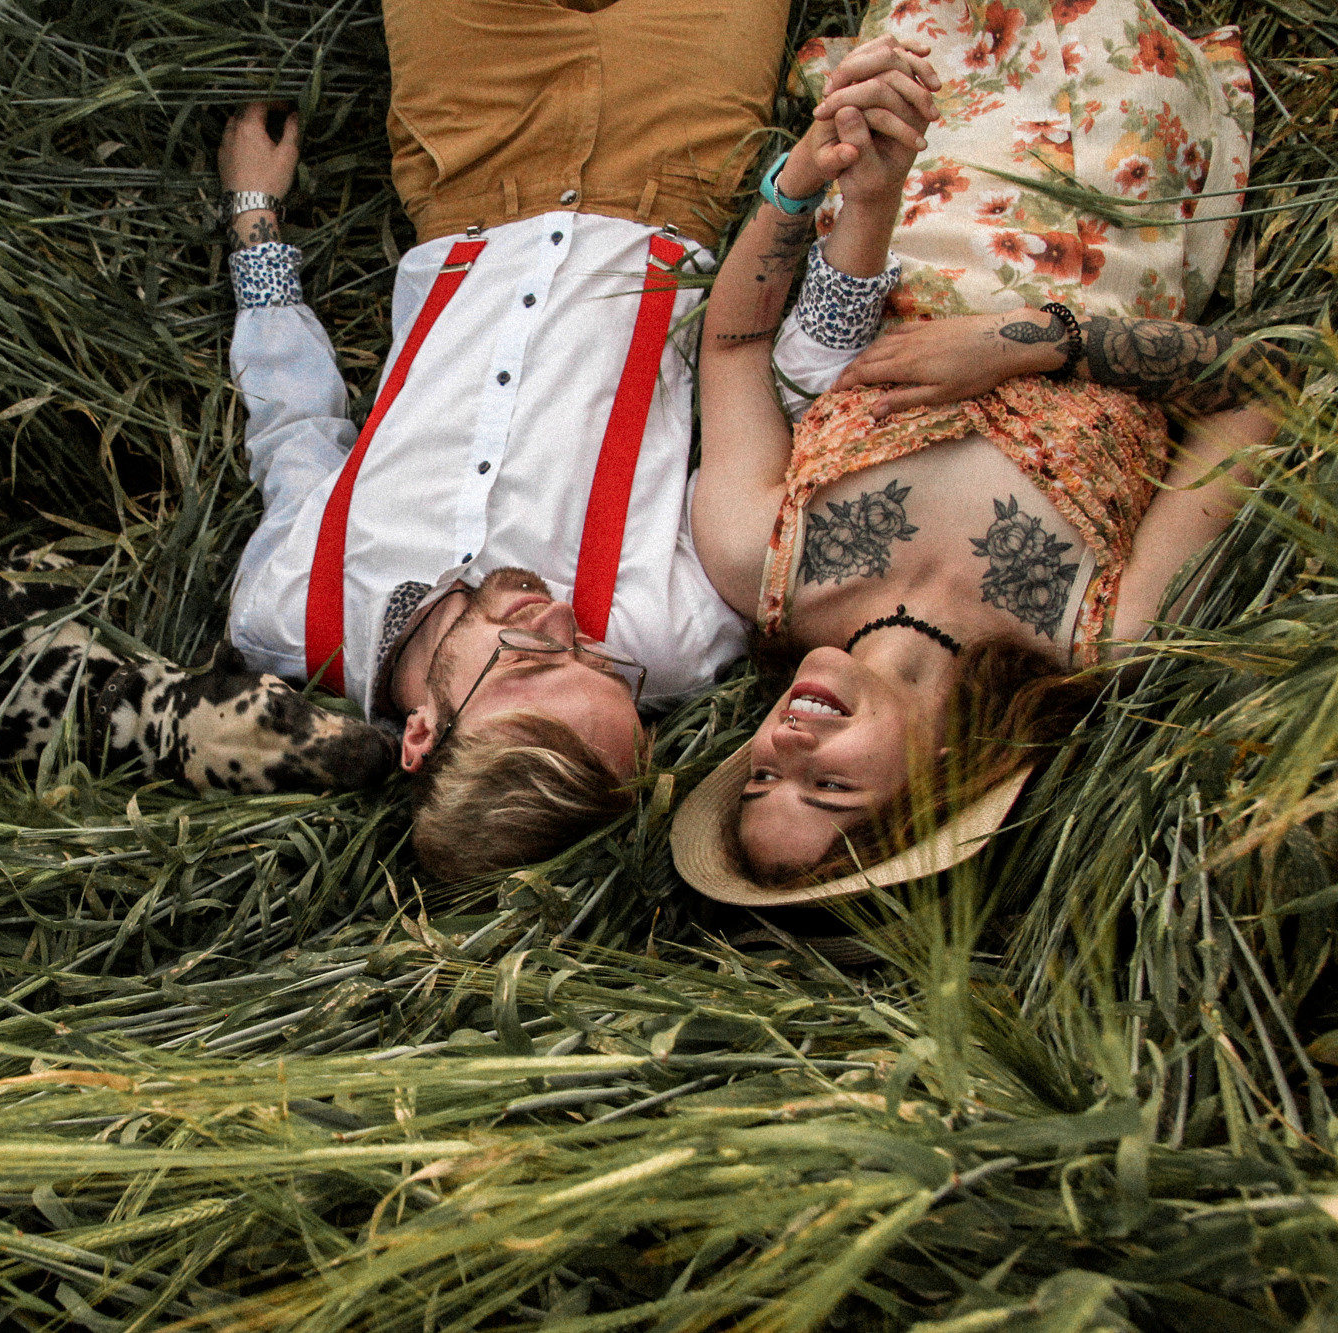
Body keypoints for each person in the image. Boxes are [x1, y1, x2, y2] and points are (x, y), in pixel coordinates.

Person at [215, 0, 942, 879]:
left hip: (467, 162)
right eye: (595, 661)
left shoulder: (292, 606)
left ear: (419, 734)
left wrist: (253, 211)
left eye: (528, 664)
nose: (559, 618)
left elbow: (291, 424)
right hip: (679, 164)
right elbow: (781, 400)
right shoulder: (672, 634)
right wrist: (859, 207)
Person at [674, 0, 1284, 906]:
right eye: (830, 785)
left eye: (761, 778)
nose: (785, 748)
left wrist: (805, 179)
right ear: (943, 775)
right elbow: (1261, 387)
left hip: (913, 179)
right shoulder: (1101, 630)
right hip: (1108, 217)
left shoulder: (756, 556)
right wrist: (1038, 342)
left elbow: (731, 348)